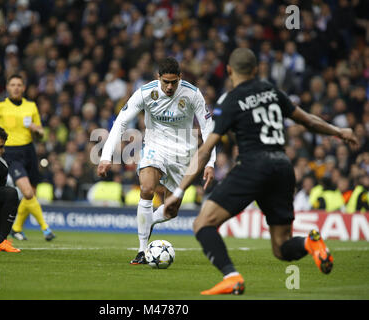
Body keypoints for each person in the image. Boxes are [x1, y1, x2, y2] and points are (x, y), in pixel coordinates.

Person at [164, 48, 359, 295]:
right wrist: (340, 132)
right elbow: (308, 120)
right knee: (282, 247)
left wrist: (178, 192)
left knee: (203, 223)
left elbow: (205, 151)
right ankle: (310, 243)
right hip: (283, 167)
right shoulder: (273, 92)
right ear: (256, 70)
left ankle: (231, 276)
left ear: (230, 71)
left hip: (253, 166)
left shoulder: (230, 100)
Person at [97, 57, 216, 264]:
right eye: (165, 82)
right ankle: (143, 250)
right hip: (155, 148)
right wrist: (107, 156)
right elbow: (121, 123)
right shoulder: (145, 92)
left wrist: (210, 163)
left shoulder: (192, 93)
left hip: (183, 154)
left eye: (174, 82)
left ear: (180, 77)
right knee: (147, 189)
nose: (170, 87)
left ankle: (148, 221)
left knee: (171, 211)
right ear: (158, 77)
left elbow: (208, 130)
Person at [0, 74, 55, 241]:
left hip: (29, 151)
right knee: (27, 192)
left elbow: (41, 134)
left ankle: (17, 227)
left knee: (32, 193)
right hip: (10, 152)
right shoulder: (0, 106)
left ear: (24, 87)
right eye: (12, 84)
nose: (16, 87)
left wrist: (37, 130)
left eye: (19, 84)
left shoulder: (31, 106)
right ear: (7, 87)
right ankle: (46, 228)